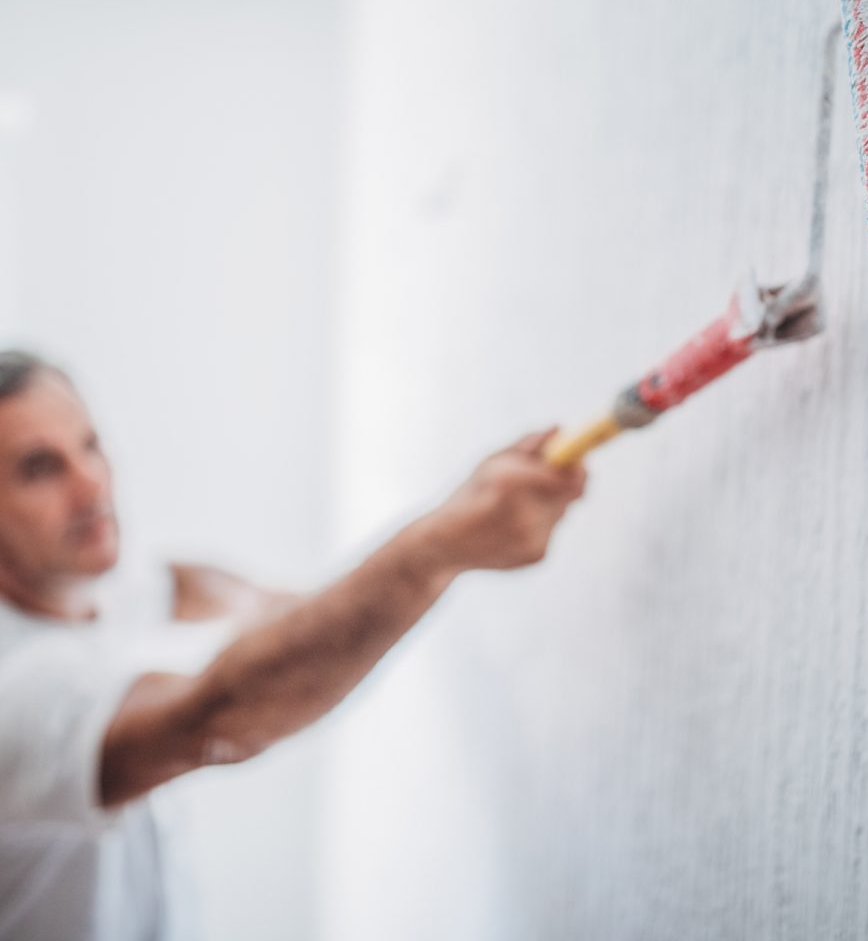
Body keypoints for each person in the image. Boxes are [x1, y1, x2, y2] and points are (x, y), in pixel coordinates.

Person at [0, 350, 586, 940]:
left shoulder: (96, 582)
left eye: (90, 445)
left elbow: (193, 585)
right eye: (39, 468)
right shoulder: (15, 688)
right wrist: (432, 552)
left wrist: (339, 605)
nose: (91, 483)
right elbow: (213, 718)